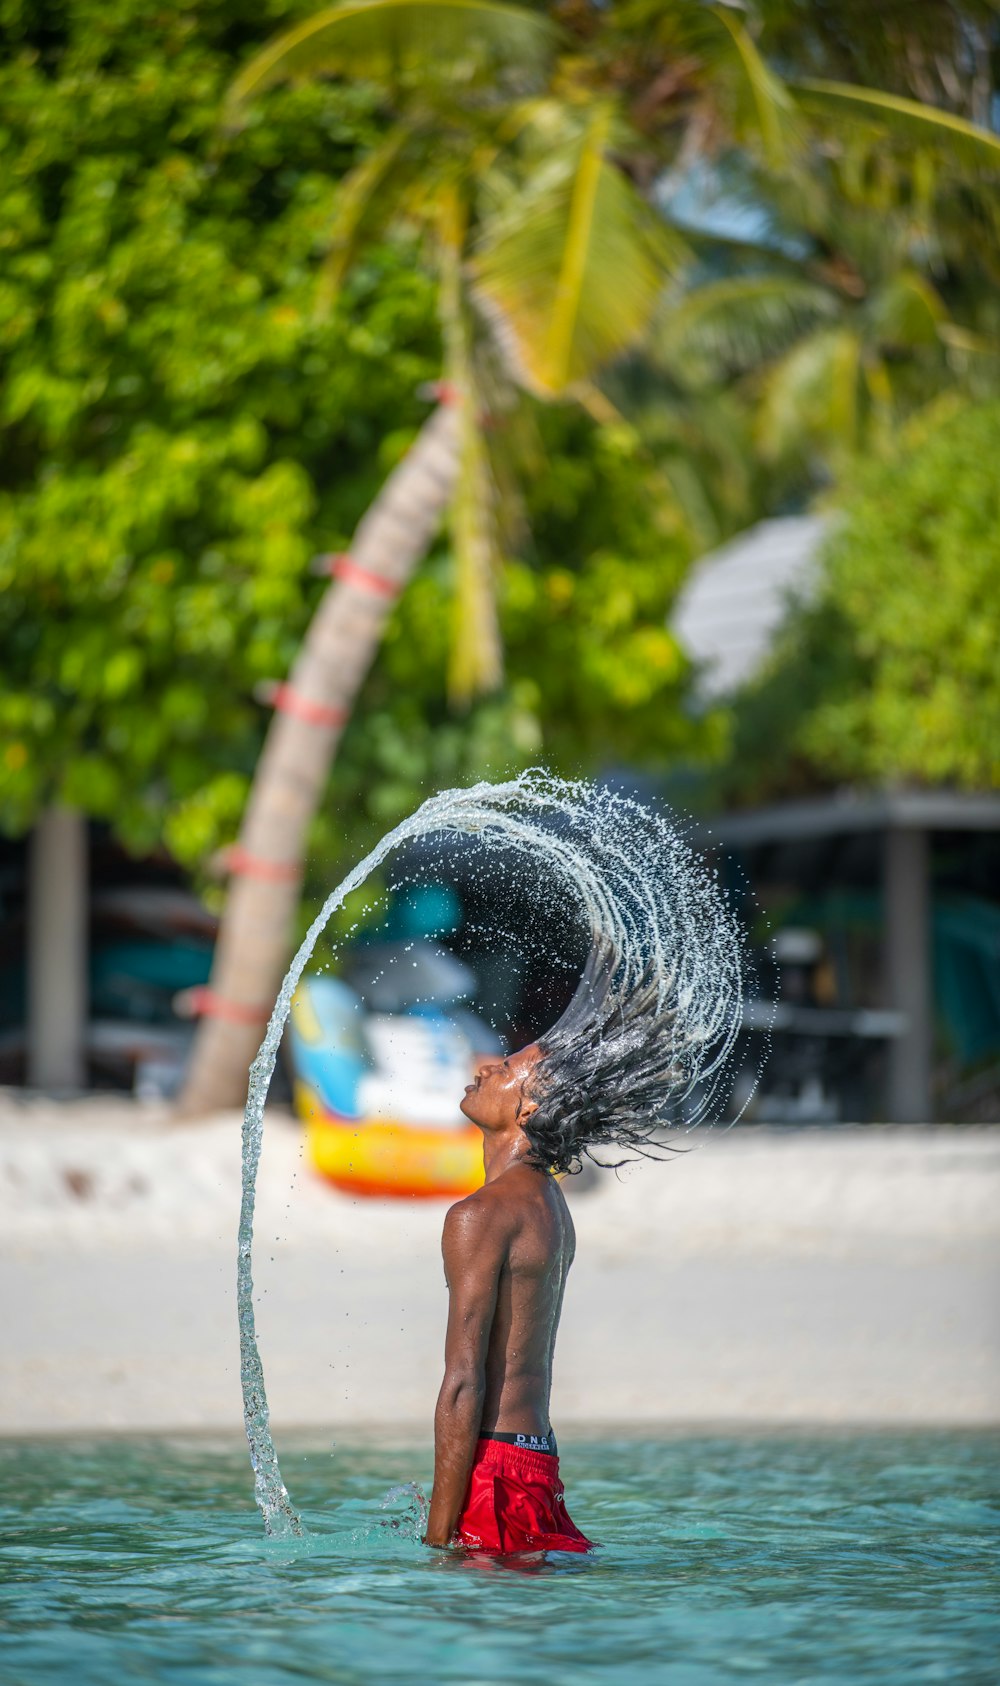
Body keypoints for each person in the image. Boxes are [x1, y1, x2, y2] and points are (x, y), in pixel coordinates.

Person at [422, 1041, 594, 1557]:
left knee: (470, 1619)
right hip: (537, 1457)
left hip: (498, 1468)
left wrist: (436, 1542)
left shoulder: (481, 1214)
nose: (485, 1068)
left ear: (529, 1109)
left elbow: (463, 1383)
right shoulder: (550, 1204)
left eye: (506, 1068)